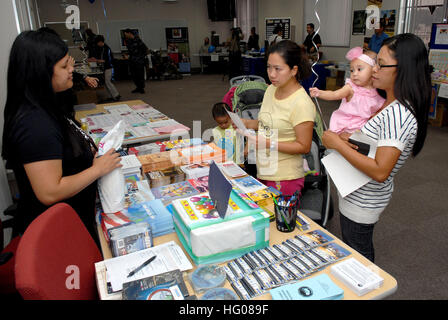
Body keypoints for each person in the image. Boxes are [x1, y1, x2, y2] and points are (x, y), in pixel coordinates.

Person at [1, 29, 122, 240]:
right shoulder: (34, 124)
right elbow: (49, 191)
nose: (71, 70)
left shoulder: (47, 104)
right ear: (41, 72)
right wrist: (97, 170)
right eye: (64, 66)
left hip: (77, 215)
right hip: (58, 233)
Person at [321, 34, 431, 262]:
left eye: (380, 64)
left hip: (365, 199)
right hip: (356, 193)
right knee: (353, 248)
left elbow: (381, 171)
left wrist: (337, 144)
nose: (374, 69)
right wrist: (350, 137)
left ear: (402, 69)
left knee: (359, 257)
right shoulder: (388, 103)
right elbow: (377, 143)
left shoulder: (398, 113)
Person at [238, 40, 316, 196]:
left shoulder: (301, 103)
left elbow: (304, 146)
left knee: (281, 219)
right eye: (269, 67)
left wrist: (266, 143)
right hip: (264, 170)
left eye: (278, 69)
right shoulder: (271, 90)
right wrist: (246, 123)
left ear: (294, 70)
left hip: (285, 176)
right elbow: (268, 123)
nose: (271, 74)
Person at [309, 47, 385, 134]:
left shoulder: (378, 90)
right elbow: (334, 94)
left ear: (374, 70)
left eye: (359, 69)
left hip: (366, 128)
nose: (355, 74)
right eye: (352, 70)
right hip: (347, 127)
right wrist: (320, 93)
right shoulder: (351, 88)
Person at [212, 103, 256, 177]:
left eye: (226, 122)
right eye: (220, 123)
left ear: (231, 117)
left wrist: (246, 148)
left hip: (239, 163)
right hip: (223, 163)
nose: (223, 125)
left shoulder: (236, 127)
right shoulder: (215, 130)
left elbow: (251, 133)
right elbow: (217, 143)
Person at [90, 35, 121, 101]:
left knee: (108, 82)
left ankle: (116, 95)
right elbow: (100, 58)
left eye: (98, 43)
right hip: (104, 67)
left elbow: (108, 60)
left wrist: (97, 60)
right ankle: (110, 96)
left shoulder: (107, 49)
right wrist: (94, 59)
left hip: (108, 67)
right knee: (106, 82)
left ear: (101, 42)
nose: (97, 44)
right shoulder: (101, 48)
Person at [123, 28, 149, 94]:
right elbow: (130, 51)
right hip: (132, 61)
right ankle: (138, 87)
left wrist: (141, 57)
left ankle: (141, 88)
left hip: (139, 61)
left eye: (126, 34)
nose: (125, 35)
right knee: (134, 75)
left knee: (140, 75)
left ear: (129, 33)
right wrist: (126, 54)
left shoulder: (138, 40)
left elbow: (145, 49)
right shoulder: (128, 41)